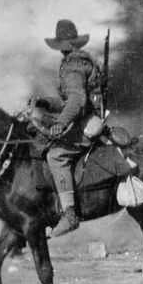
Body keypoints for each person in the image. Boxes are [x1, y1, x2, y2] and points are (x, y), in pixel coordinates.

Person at [43, 19, 102, 237]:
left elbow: (77, 99)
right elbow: (72, 99)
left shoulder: (72, 65)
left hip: (86, 121)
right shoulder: (82, 61)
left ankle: (69, 213)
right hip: (88, 116)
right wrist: (46, 103)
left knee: (55, 155)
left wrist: (60, 123)